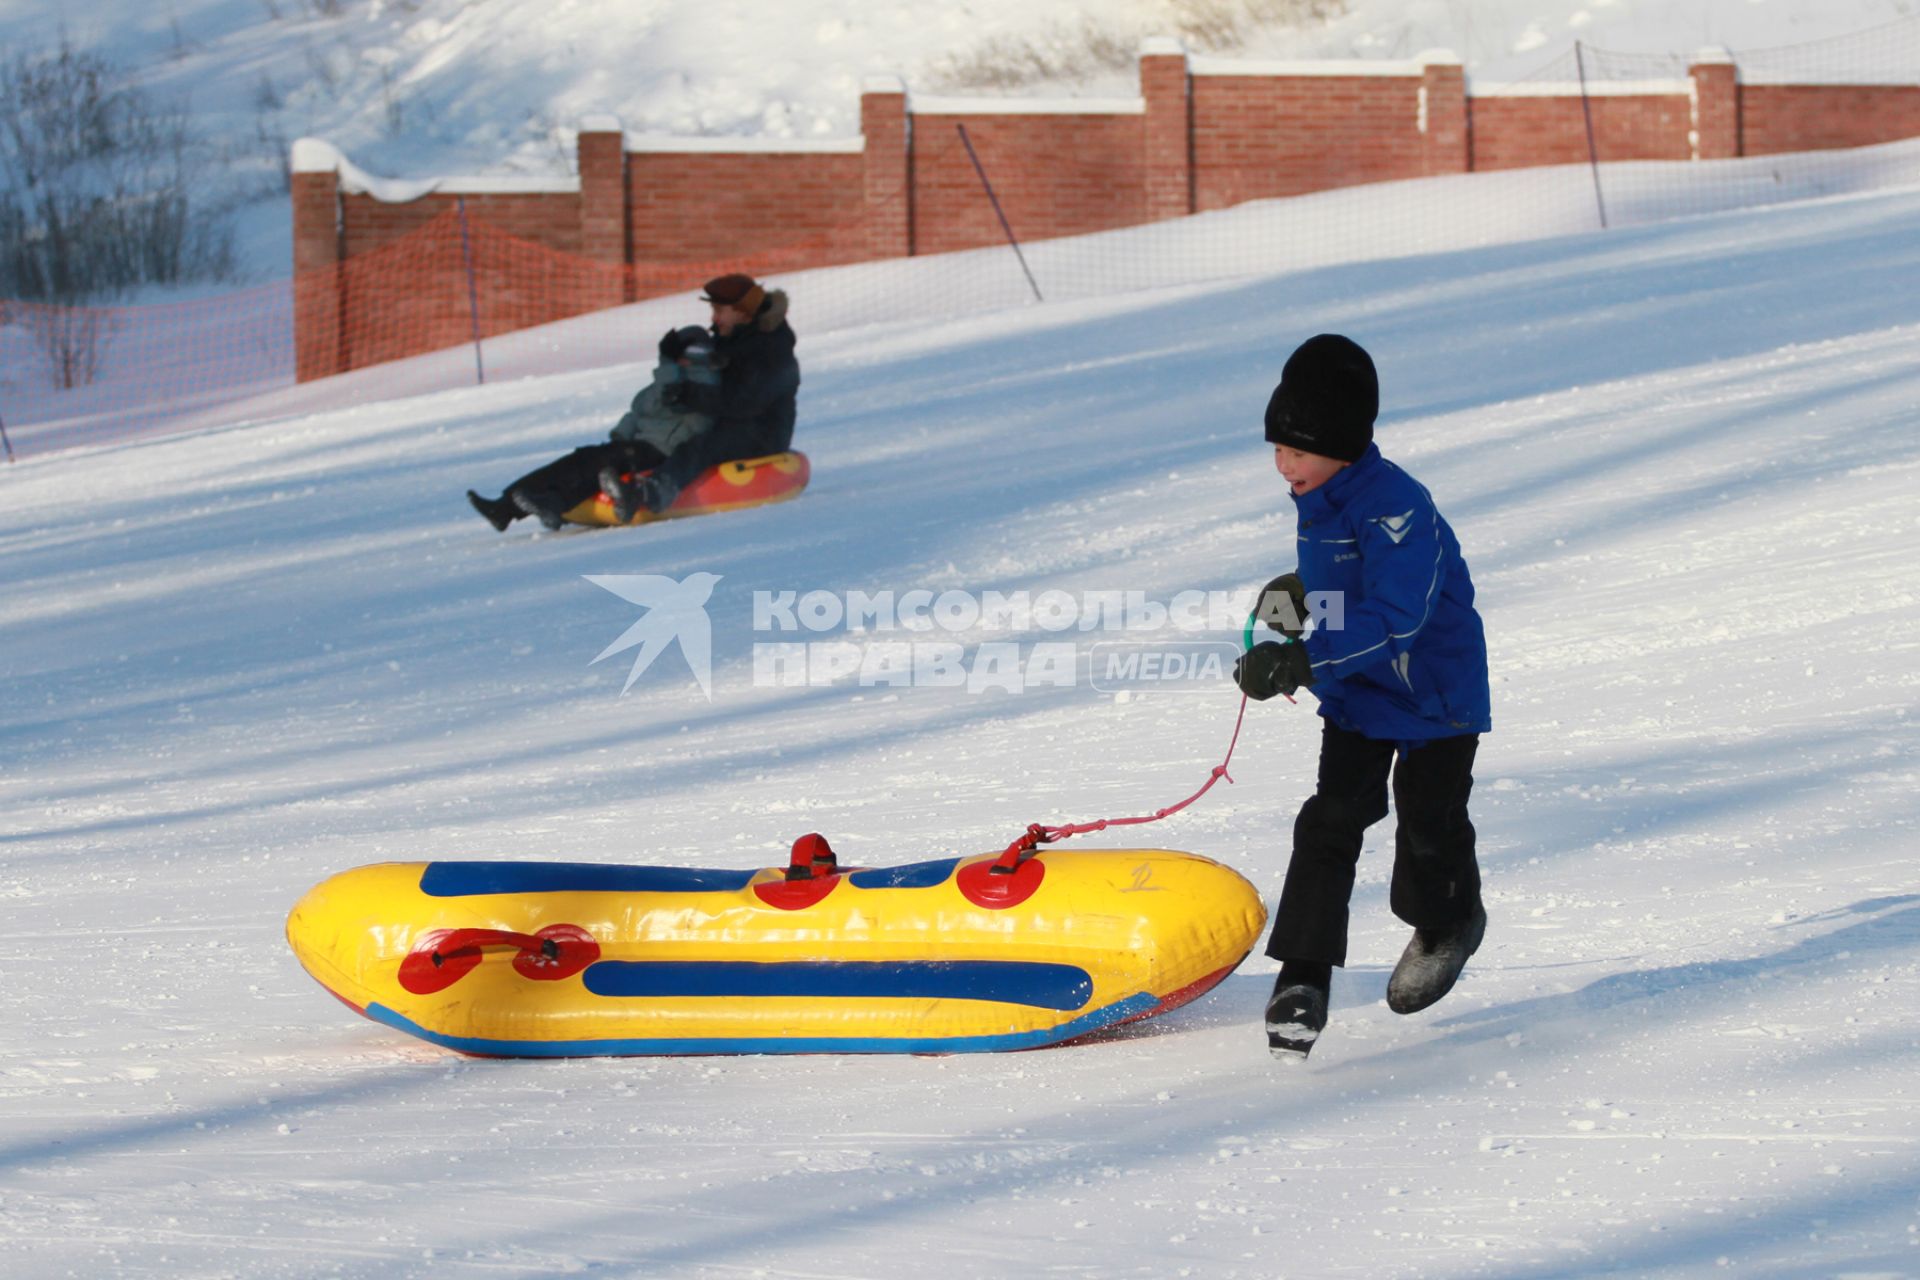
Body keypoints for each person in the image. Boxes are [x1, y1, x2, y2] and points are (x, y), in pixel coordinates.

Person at [1231, 333, 1492, 1060]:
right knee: (1331, 818)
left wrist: (1306, 660)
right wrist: (1277, 623)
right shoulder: (1321, 494)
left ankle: (1447, 922)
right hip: (1357, 690)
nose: (1285, 466)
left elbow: (1399, 616)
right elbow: (1330, 587)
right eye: (1277, 449)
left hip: (1432, 690)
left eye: (1298, 452)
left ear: (1343, 446)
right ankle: (1302, 977)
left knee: (1428, 822)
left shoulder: (1397, 507)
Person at [465, 325, 720, 532]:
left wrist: (668, 366)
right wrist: (623, 432)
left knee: (593, 462)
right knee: (583, 459)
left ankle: (548, 503)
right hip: (643, 443)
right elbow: (640, 408)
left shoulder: (700, 380)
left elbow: (672, 403)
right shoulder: (673, 377)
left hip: (662, 449)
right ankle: (507, 505)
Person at [601, 272, 799, 523]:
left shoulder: (770, 349)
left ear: (742, 312)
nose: (714, 318)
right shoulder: (733, 336)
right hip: (731, 423)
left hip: (763, 432)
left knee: (700, 447)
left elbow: (743, 403)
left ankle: (649, 493)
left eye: (720, 311)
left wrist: (688, 394)